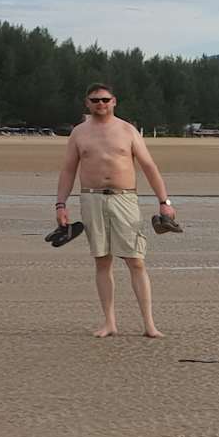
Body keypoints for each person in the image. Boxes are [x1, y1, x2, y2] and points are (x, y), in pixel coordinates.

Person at [53, 83, 176, 338]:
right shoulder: (79, 133)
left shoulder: (128, 130)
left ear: (114, 101)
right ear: (87, 103)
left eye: (105, 99)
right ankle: (109, 323)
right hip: (92, 199)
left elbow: (149, 166)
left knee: (136, 261)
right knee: (102, 260)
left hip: (124, 199)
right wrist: (60, 205)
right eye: (95, 100)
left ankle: (149, 324)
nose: (100, 104)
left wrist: (164, 202)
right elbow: (68, 170)